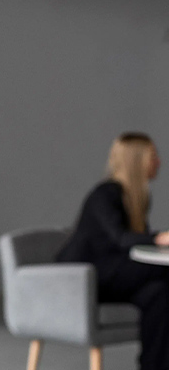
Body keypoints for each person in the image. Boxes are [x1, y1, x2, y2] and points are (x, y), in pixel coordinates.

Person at [57, 132, 169, 370]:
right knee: (163, 274)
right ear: (136, 160)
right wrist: (160, 237)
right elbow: (122, 239)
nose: (158, 161)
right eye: (153, 156)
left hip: (115, 277)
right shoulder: (105, 194)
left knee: (160, 294)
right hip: (86, 278)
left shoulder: (134, 199)